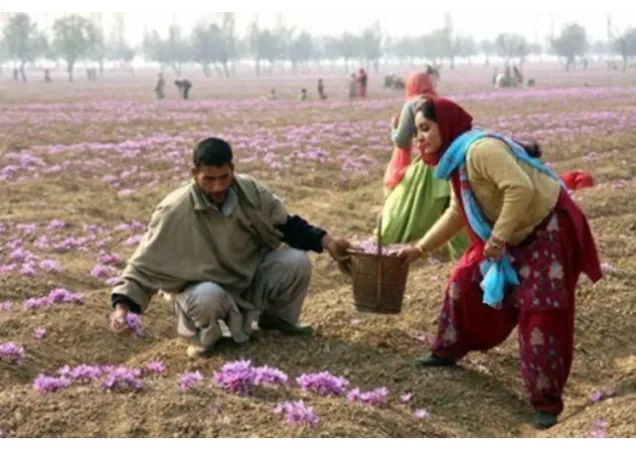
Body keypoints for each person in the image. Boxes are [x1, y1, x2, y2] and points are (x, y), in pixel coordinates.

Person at [396, 97, 603, 430]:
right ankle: (447, 349)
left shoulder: (480, 150)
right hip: (510, 230)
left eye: (425, 128)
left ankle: (546, 403)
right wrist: (418, 250)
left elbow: (519, 188)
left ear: (445, 127)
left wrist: (498, 239)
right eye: (417, 130)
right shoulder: (456, 161)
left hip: (546, 227)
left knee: (541, 315)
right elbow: (456, 212)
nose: (418, 137)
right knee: (465, 280)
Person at [109, 138, 353, 358]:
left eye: (224, 177)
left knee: (295, 261)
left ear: (232, 170)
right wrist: (122, 311)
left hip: (245, 281)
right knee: (208, 297)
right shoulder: (174, 209)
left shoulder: (249, 192)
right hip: (201, 290)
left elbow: (286, 225)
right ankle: (205, 337)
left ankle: (278, 320)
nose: (218, 187)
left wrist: (328, 241)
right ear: (194, 174)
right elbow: (142, 266)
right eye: (209, 179)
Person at [380, 71, 470, 259]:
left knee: (410, 208)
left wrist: (393, 128)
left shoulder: (412, 105)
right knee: (455, 207)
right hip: (448, 160)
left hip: (430, 167)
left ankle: (394, 241)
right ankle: (463, 253)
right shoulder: (437, 103)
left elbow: (402, 140)